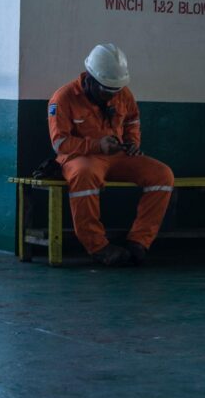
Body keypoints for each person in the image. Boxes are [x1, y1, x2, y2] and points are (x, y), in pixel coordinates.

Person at [47, 44, 174, 266]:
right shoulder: (64, 98)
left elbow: (132, 120)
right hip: (80, 159)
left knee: (162, 175)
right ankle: (97, 247)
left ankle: (139, 242)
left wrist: (132, 144)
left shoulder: (122, 93)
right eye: (107, 90)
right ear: (91, 80)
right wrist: (96, 145)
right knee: (84, 174)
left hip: (118, 157)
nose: (112, 95)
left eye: (116, 90)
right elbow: (60, 144)